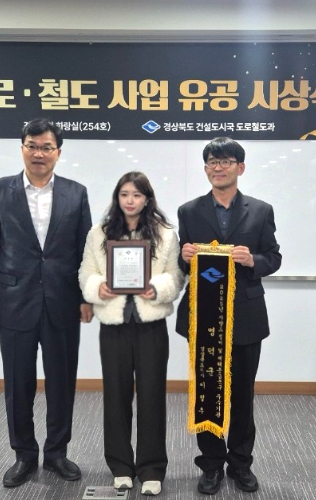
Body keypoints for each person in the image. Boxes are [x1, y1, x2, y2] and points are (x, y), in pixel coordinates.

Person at [0, 118, 93, 488]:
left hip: (63, 302)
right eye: (32, 146)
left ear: (58, 152)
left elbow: (86, 251)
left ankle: (56, 452)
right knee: (18, 383)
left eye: (46, 147)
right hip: (15, 300)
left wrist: (86, 297)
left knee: (62, 382)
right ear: (22, 148)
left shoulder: (76, 193)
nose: (39, 153)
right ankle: (24, 454)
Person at [176, 137, 281, 495]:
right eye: (211, 162)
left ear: (240, 167)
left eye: (225, 161)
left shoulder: (261, 210)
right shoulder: (188, 211)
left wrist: (253, 260)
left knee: (242, 395)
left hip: (246, 317)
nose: (217, 167)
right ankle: (210, 465)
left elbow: (274, 257)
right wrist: (183, 257)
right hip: (203, 317)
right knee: (207, 392)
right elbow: (181, 263)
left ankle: (240, 463)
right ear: (206, 168)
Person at [79, 172, 184, 497]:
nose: (130, 200)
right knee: (116, 395)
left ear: (147, 199)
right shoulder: (98, 233)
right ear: (117, 197)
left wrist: (158, 288)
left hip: (150, 324)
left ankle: (151, 468)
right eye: (124, 194)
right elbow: (86, 272)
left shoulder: (166, 234)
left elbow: (176, 275)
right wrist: (98, 288)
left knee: (152, 396)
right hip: (114, 326)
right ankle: (121, 467)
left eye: (136, 195)